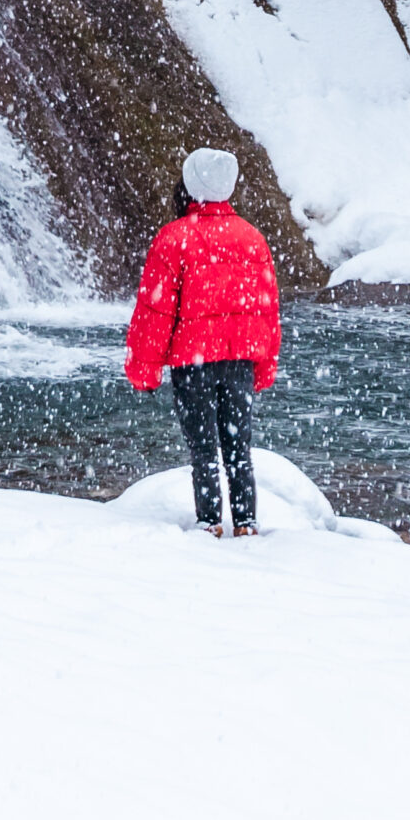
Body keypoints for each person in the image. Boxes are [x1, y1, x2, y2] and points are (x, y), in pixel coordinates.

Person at [124, 147, 282, 536]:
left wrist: (144, 369)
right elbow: (266, 311)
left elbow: (155, 313)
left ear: (190, 186)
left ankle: (209, 521)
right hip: (240, 360)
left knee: (203, 448)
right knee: (238, 445)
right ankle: (245, 521)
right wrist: (265, 363)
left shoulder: (173, 239)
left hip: (191, 362)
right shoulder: (252, 238)